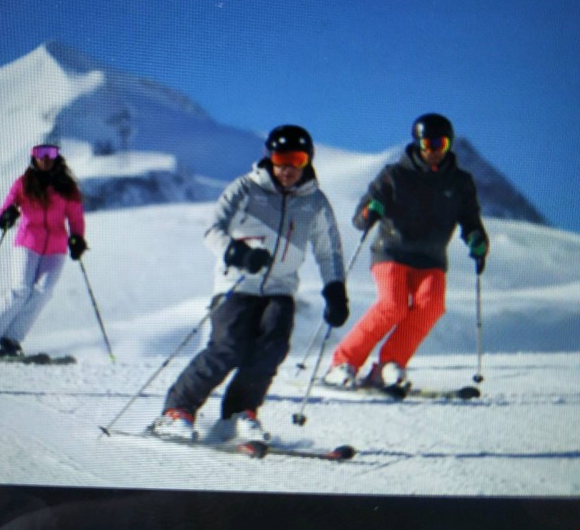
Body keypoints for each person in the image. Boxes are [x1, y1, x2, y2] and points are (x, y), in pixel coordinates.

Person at [151, 125, 349, 442]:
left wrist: (335, 289)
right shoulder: (245, 189)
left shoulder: (315, 202)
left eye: (295, 159)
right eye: (281, 158)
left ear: (307, 161)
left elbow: (329, 252)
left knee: (271, 349)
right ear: (270, 157)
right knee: (226, 348)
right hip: (237, 285)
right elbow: (212, 231)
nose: (287, 168)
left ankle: (237, 415)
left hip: (281, 289)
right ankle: (176, 411)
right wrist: (238, 253)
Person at [322, 113, 489, 390]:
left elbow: (471, 220)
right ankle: (343, 363)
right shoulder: (394, 175)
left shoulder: (460, 182)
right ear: (418, 143)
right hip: (392, 251)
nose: (434, 151)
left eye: (441, 144)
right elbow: (359, 219)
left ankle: (389, 365)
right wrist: (370, 210)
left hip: (431, 258)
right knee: (393, 305)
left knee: (431, 306)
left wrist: (477, 239)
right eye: (429, 144)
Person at [0, 143, 86, 358]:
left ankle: (11, 340)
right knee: (21, 289)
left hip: (55, 248)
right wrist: (6, 216)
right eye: (41, 153)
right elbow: (7, 207)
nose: (47, 158)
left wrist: (77, 238)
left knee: (44, 291)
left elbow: (76, 217)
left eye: (52, 153)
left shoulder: (68, 188)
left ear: (58, 157)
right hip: (27, 243)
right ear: (34, 157)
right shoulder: (24, 183)